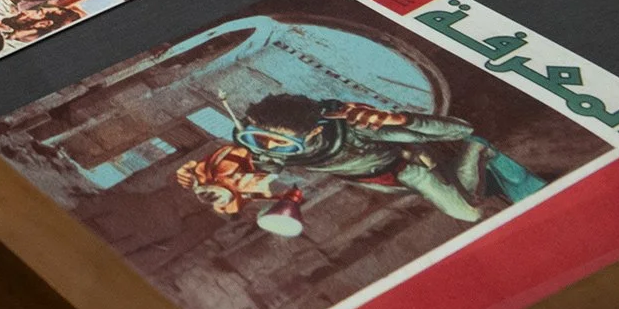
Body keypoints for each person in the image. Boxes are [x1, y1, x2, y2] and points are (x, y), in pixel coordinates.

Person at [176, 96, 544, 227]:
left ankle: (479, 151)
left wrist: (398, 120)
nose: (268, 150)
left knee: (467, 211)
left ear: (314, 135)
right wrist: (225, 187)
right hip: (372, 181)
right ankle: (488, 167)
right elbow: (261, 168)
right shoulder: (271, 148)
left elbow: (456, 128)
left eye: (280, 144)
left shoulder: (356, 131)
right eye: (257, 140)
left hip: (406, 169)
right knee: (472, 201)